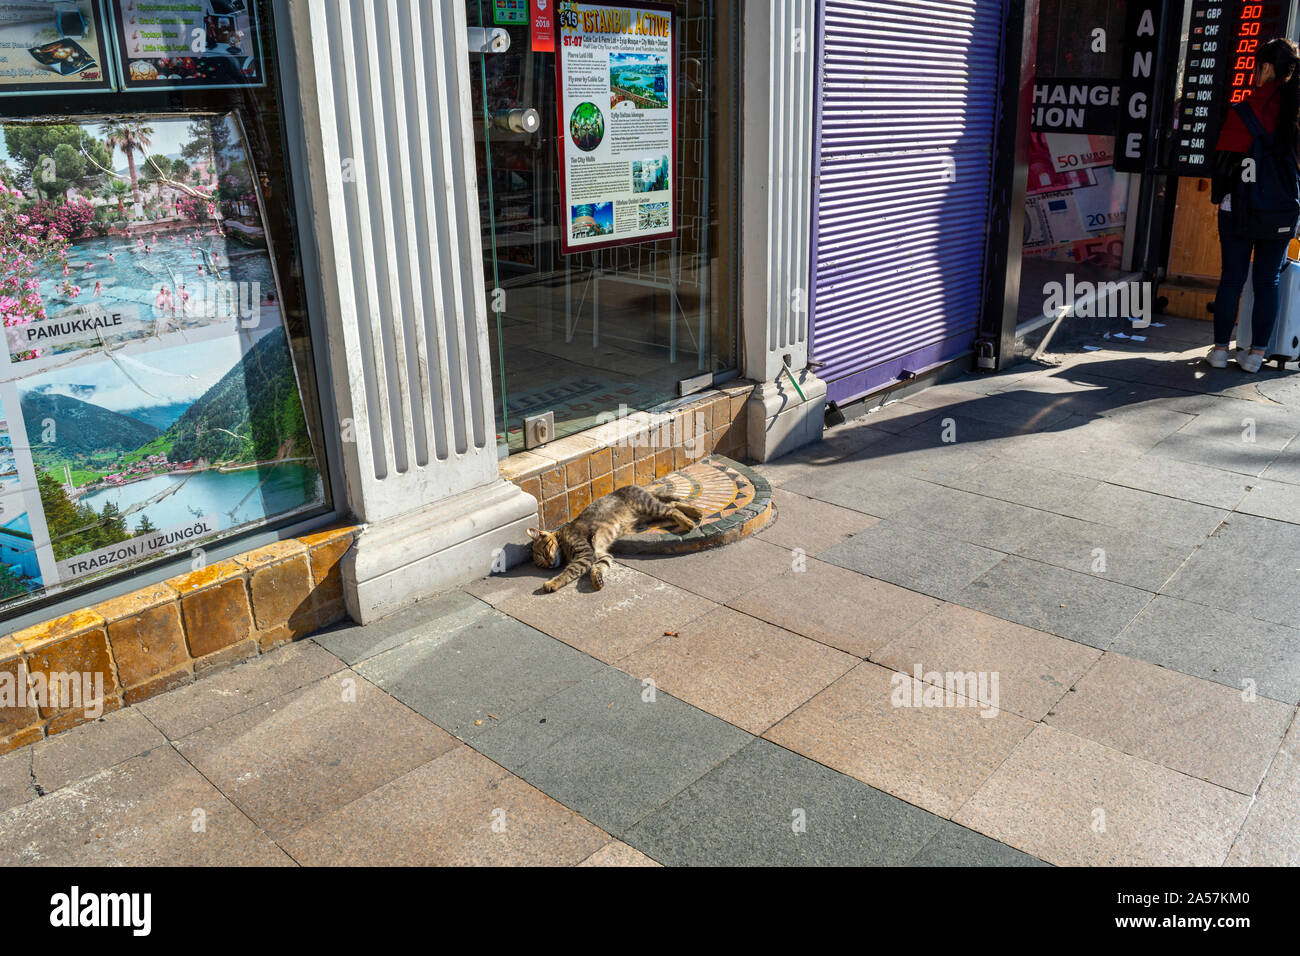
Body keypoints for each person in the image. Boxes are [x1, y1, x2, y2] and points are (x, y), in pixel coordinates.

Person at [1209, 37, 1300, 373]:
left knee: (1231, 278)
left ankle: (1220, 351)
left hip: (1239, 207)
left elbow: (1221, 166)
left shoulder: (1242, 112)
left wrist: (1220, 198)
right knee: (1267, 281)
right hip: (1280, 210)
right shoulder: (1294, 115)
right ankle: (1256, 356)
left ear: (1264, 67)